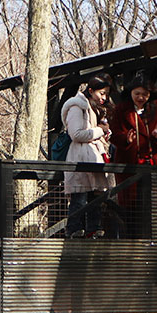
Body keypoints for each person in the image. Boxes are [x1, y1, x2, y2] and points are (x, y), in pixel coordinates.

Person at [110, 78, 157, 237]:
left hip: (151, 162)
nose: (141, 97)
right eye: (137, 93)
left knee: (152, 202)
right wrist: (126, 139)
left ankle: (152, 237)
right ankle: (130, 238)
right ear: (130, 93)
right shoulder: (121, 110)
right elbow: (114, 133)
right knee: (130, 203)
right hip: (128, 164)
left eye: (145, 94)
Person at [61, 73, 114, 238]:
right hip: (80, 158)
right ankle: (74, 230)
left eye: (106, 93)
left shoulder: (95, 109)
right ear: (91, 91)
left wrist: (104, 132)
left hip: (92, 158)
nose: (104, 97)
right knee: (79, 197)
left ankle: (93, 229)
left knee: (95, 197)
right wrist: (100, 130)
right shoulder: (78, 106)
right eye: (101, 93)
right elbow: (76, 134)